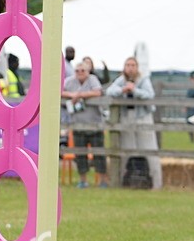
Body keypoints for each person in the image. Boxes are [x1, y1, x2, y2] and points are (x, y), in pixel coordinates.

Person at [105, 57, 162, 189]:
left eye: (133, 65)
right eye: (127, 65)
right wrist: (123, 90)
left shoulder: (143, 80)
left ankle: (156, 184)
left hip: (143, 116)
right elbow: (109, 91)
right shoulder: (121, 80)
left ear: (137, 67)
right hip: (126, 117)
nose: (130, 68)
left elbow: (149, 94)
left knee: (149, 149)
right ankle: (124, 181)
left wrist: (134, 90)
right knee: (126, 149)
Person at [62, 62, 109, 188]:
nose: (80, 73)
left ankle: (103, 181)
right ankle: (83, 180)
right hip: (78, 124)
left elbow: (98, 92)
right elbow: (59, 92)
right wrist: (72, 95)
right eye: (77, 70)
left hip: (95, 124)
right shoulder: (69, 81)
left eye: (83, 70)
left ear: (88, 71)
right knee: (80, 154)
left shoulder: (93, 80)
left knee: (99, 154)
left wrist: (80, 95)